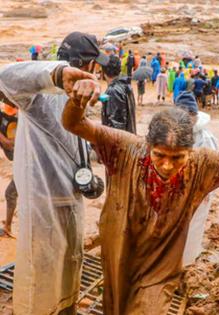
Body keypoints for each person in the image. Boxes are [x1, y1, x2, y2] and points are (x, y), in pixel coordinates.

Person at [62, 80, 219, 314]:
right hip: (120, 250)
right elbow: (74, 123)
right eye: (159, 155)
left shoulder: (203, 163)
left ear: (189, 152)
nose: (167, 165)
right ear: (148, 144)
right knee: (115, 307)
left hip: (162, 264)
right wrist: (77, 101)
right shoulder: (123, 147)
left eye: (178, 158)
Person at [0, 31, 108, 315]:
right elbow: (6, 77)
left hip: (70, 201)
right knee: (39, 280)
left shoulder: (80, 99)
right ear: (84, 64)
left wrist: (90, 177)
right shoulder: (37, 95)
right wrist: (57, 75)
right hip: (42, 204)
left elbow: (75, 144)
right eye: (95, 65)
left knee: (70, 268)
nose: (97, 71)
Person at [174, 91, 219, 265]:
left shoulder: (205, 139)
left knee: (191, 231)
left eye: (189, 115)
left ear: (194, 115)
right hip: (175, 193)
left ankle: (185, 266)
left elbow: (213, 169)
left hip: (198, 194)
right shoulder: (172, 133)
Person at [102, 55, 136, 134]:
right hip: (129, 139)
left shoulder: (113, 91)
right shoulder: (125, 85)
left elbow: (116, 128)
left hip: (120, 142)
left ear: (103, 72)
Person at [0, 103, 18, 238]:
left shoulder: (19, 119)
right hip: (20, 162)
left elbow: (9, 145)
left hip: (29, 164)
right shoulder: (4, 114)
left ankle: (8, 227)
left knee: (10, 193)